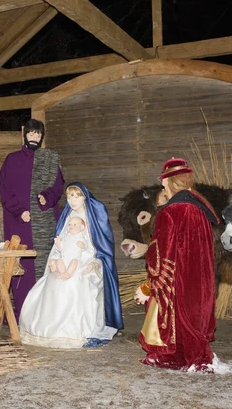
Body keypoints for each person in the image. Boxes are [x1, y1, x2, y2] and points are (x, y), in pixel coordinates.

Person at [134, 158, 219, 371]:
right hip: (201, 284)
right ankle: (193, 356)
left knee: (174, 316)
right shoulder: (200, 211)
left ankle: (174, 355)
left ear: (170, 182)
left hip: (178, 284)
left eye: (164, 182)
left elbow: (161, 258)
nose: (162, 185)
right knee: (193, 319)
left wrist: (148, 287)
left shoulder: (169, 213)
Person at [19, 183, 123, 349]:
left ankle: (76, 330)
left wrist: (91, 259)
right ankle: (52, 329)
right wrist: (55, 259)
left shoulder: (93, 216)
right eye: (69, 197)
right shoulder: (68, 215)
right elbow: (60, 241)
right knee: (53, 281)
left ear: (84, 197)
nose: (73, 201)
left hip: (88, 260)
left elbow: (99, 245)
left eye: (77, 196)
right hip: (66, 258)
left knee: (75, 282)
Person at [0, 119, 64, 320]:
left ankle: (46, 315)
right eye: (31, 133)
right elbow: (5, 190)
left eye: (38, 134)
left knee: (46, 265)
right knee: (23, 268)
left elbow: (58, 186)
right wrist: (19, 211)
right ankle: (24, 315)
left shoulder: (49, 159)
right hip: (20, 223)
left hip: (44, 221)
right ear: (24, 134)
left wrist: (47, 197)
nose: (34, 137)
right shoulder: (11, 159)